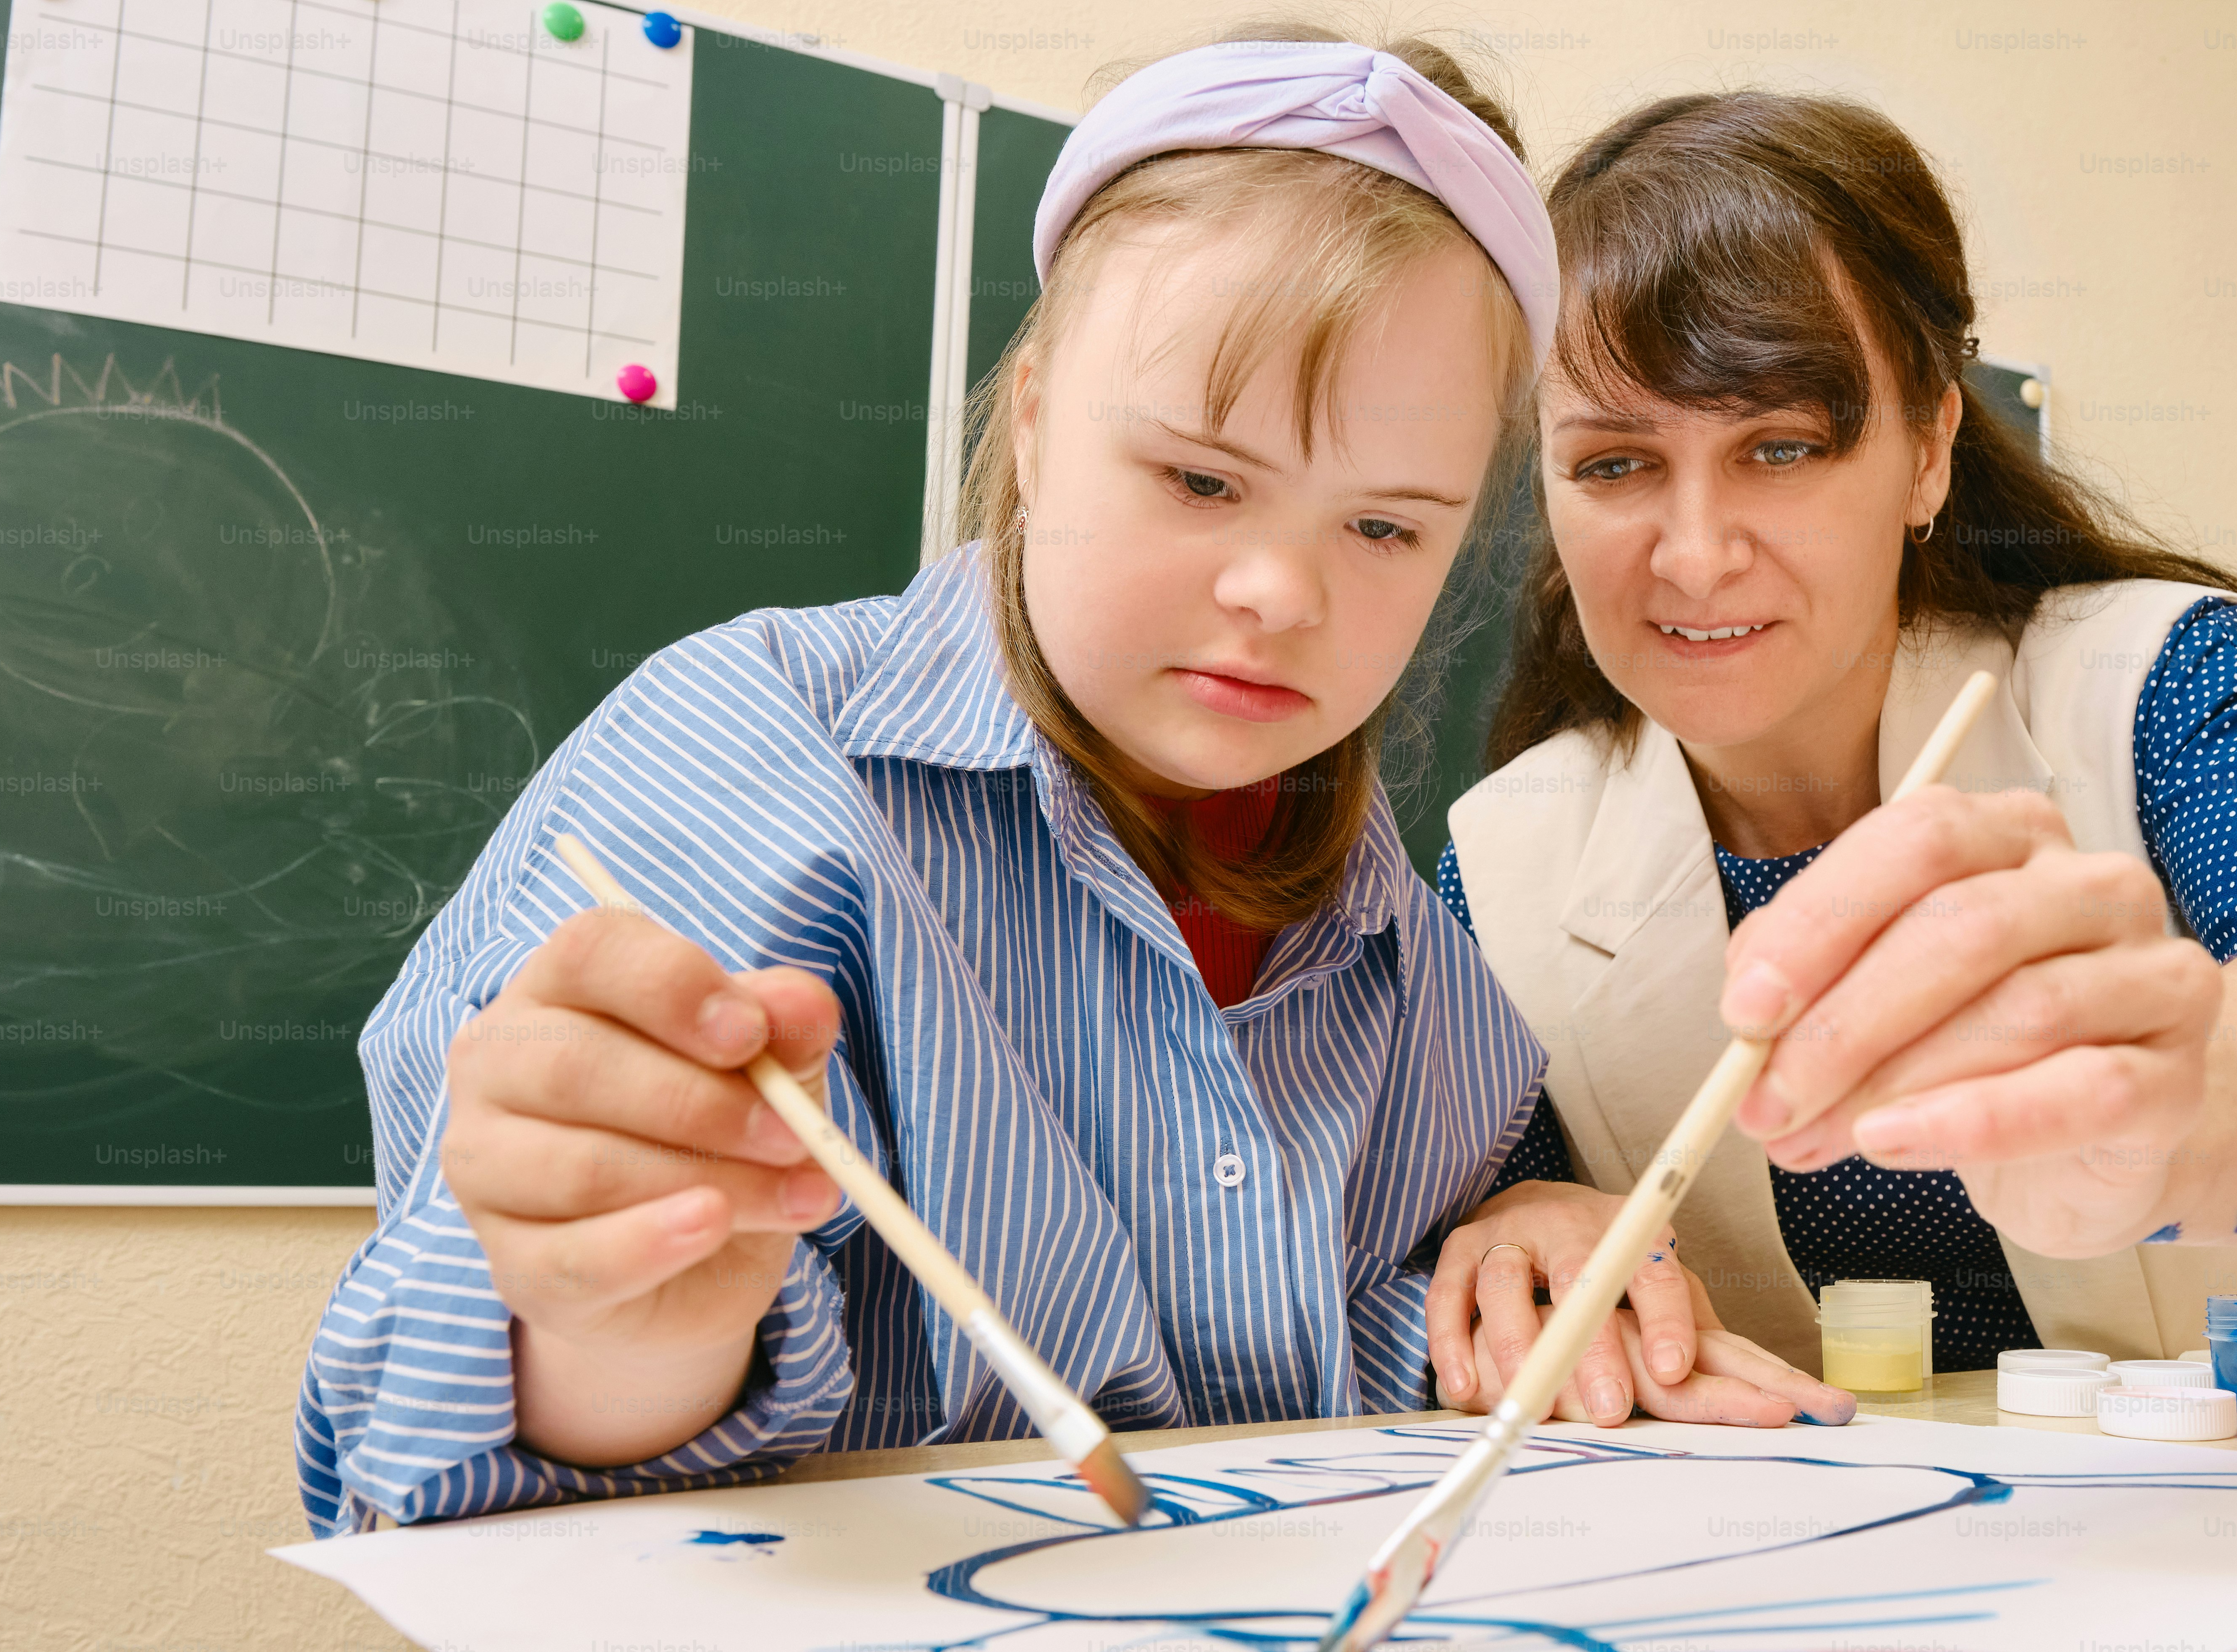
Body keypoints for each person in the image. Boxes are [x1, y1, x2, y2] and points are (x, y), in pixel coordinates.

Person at [292, 29, 1586, 1535]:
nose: (1278, 592)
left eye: (1386, 530)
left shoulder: (1409, 965)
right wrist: (632, 1328)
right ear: (1033, 417)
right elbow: (464, 1460)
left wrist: (1508, 1269)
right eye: (1201, 478)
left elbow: (1328, 1378)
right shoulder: (757, 761)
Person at [1426, 90, 2237, 1426]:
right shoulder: (1501, 863)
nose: (1695, 551)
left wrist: (2161, 1120)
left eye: (1782, 447)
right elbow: (1506, 1242)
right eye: (1613, 464)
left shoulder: (2155, 683)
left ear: (1931, 450)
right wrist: (1524, 1220)